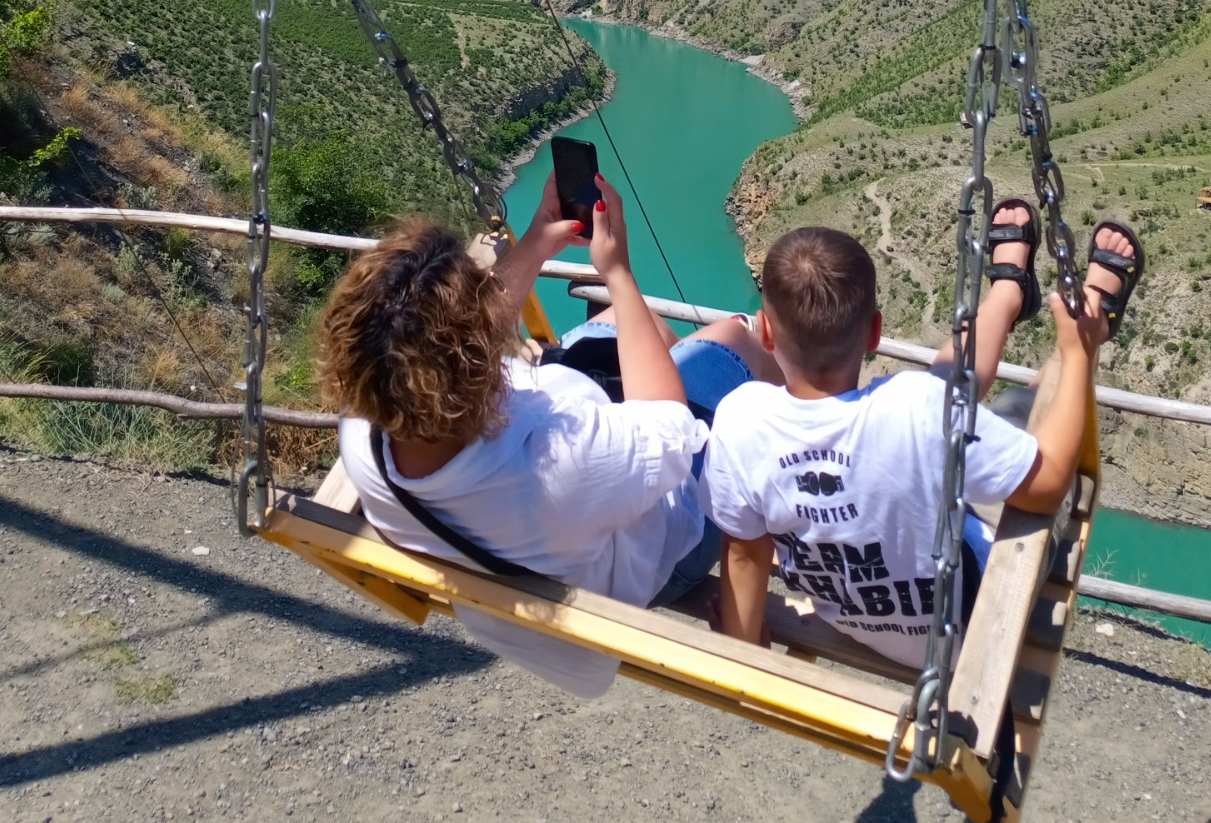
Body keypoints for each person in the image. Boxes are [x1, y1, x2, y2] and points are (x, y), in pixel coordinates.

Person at [320, 169, 780, 696]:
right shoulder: (553, 464)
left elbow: (440, 339)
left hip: (543, 539)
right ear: (475, 365)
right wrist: (619, 273)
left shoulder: (367, 425)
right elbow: (672, 430)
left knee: (637, 325)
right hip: (664, 549)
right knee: (737, 339)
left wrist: (541, 236)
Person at [704, 207, 1142, 666]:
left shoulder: (740, 420)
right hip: (967, 626)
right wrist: (1078, 351)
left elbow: (744, 556)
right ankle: (1086, 323)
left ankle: (1009, 295)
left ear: (767, 333)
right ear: (874, 332)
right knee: (1019, 408)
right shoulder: (918, 406)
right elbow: (1049, 485)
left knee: (937, 397)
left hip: (852, 618)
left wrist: (743, 649)